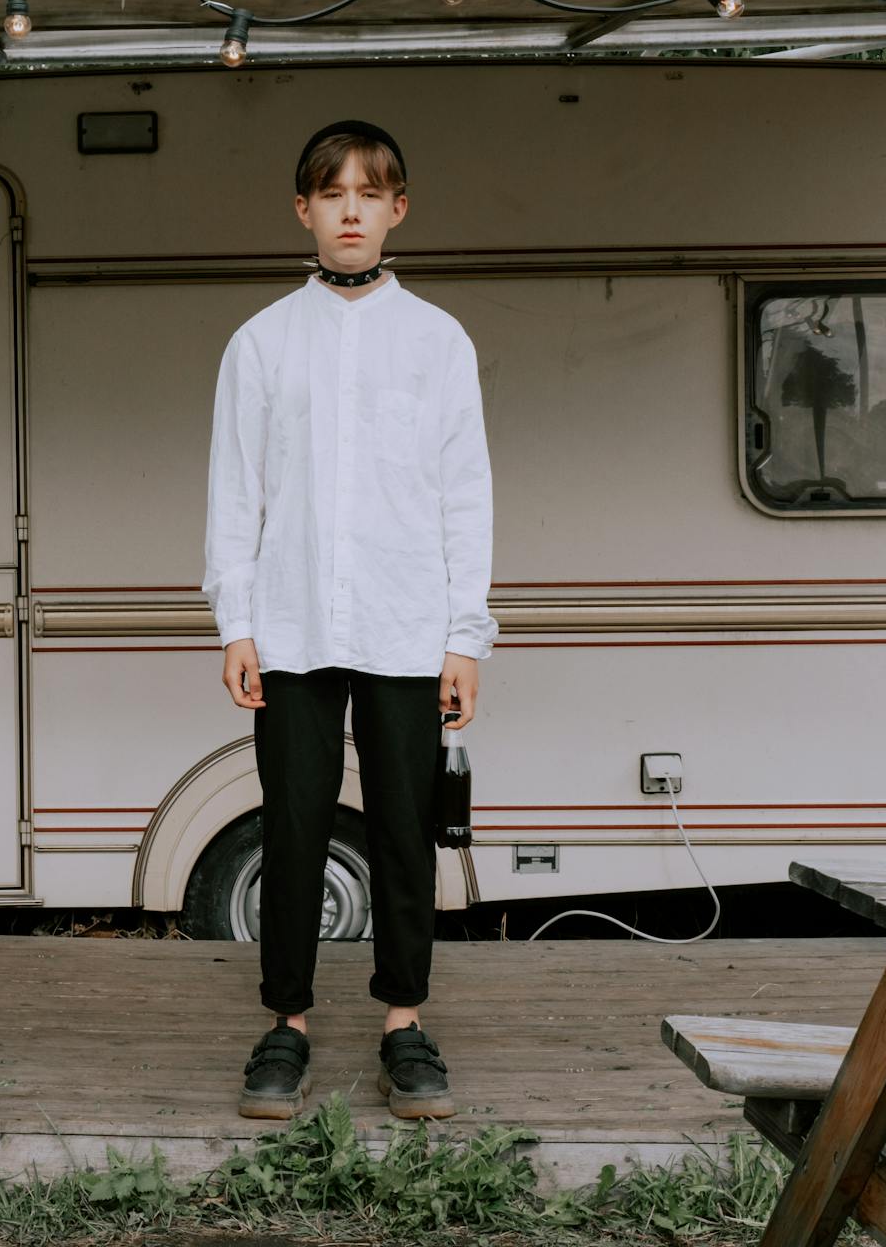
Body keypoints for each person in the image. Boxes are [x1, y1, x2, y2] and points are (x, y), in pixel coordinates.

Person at [201, 120, 496, 1122]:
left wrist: (467, 634)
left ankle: (402, 1024)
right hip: (289, 628)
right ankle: (284, 1023)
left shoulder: (439, 341)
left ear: (398, 207)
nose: (353, 210)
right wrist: (235, 621)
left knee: (407, 832)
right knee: (292, 826)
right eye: (333, 194)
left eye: (371, 192)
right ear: (305, 211)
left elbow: (467, 495)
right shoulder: (261, 342)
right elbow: (234, 493)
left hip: (410, 628)